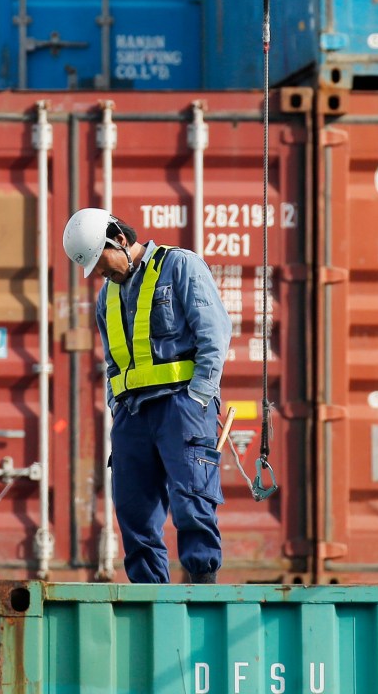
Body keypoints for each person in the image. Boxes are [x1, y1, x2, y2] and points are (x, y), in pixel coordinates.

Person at [61, 207, 230, 584]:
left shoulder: (180, 266)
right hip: (132, 416)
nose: (100, 274)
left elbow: (214, 336)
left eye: (101, 263)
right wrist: (116, 404)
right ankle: (150, 604)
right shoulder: (107, 297)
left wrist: (199, 399)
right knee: (134, 515)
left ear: (119, 238)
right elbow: (112, 363)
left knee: (192, 504)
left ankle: (203, 592)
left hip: (181, 406)